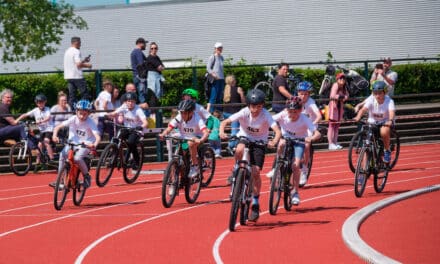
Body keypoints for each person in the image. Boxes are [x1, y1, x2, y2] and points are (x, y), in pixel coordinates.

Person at [219, 89, 281, 222]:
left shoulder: (265, 115)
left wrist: (274, 141)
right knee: (239, 148)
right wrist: (221, 131)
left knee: (256, 172)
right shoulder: (244, 112)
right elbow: (225, 122)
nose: (255, 109)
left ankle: (255, 202)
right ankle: (236, 168)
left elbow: (277, 131)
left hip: (259, 142)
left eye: (258, 106)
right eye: (252, 106)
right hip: (245, 137)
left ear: (262, 105)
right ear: (248, 105)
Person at [272, 97, 321, 203]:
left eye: (295, 112)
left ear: (300, 111)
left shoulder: (304, 119)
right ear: (287, 110)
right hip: (286, 140)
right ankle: (277, 166)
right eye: (290, 111)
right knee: (281, 143)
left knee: (295, 165)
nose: (292, 114)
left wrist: (310, 138)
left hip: (299, 142)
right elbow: (269, 120)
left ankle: (295, 192)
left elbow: (317, 133)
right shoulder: (283, 114)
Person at [51, 99, 101, 188]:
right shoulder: (73, 119)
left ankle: (86, 176)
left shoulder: (90, 122)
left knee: (77, 158)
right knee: (62, 155)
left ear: (88, 113)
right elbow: (57, 127)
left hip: (86, 143)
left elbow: (97, 137)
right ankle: (60, 179)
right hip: (72, 142)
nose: (82, 116)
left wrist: (94, 145)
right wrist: (54, 136)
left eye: (85, 114)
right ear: (76, 112)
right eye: (80, 113)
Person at [159, 100, 209, 179]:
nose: (182, 115)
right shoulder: (179, 117)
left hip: (196, 137)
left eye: (185, 113)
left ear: (191, 113)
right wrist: (163, 134)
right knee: (177, 147)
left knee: (190, 143)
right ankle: (176, 176)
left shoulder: (197, 119)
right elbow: (169, 127)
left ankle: (195, 166)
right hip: (183, 137)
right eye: (181, 112)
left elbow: (206, 132)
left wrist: (201, 140)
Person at [354, 81, 395, 163]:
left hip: (385, 123)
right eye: (375, 93)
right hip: (373, 123)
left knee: (383, 131)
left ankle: (387, 150)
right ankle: (364, 171)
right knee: (367, 143)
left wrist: (390, 120)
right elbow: (363, 109)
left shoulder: (389, 101)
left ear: (385, 92)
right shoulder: (371, 100)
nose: (377, 95)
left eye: (380, 93)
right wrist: (358, 117)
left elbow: (391, 112)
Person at [106, 92, 148, 170]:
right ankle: (114, 158)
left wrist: (141, 127)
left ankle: (137, 161)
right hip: (127, 129)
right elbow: (115, 112)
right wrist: (109, 115)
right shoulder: (124, 106)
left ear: (135, 102)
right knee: (117, 137)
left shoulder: (138, 110)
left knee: (131, 143)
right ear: (125, 101)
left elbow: (145, 122)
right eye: (128, 101)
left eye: (132, 101)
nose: (130, 103)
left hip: (136, 130)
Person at [16, 94, 56, 166]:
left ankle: (52, 158)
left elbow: (48, 117)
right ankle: (38, 161)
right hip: (41, 130)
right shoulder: (35, 110)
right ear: (36, 103)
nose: (40, 104)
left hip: (48, 129)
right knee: (39, 144)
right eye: (38, 102)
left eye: (42, 102)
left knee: (46, 142)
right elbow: (25, 115)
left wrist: (41, 121)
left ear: (45, 102)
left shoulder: (48, 109)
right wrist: (17, 120)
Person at [297, 81, 322, 184]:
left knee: (307, 145)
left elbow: (319, 116)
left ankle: (304, 169)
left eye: (306, 94)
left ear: (309, 94)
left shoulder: (311, 103)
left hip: (309, 126)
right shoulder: (295, 100)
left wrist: (312, 124)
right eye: (301, 93)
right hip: (297, 126)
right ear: (298, 93)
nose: (303, 96)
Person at [63, 36, 92, 109]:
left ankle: (72, 111)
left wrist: (84, 61)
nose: (80, 44)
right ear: (76, 42)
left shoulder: (67, 51)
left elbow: (74, 63)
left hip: (69, 77)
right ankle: (82, 109)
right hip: (77, 76)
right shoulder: (76, 51)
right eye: (80, 43)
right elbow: (78, 65)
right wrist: (88, 65)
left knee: (72, 96)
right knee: (85, 94)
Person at [222, 74, 246, 155]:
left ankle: (235, 145)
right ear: (233, 81)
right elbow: (243, 102)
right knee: (235, 130)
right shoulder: (238, 89)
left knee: (236, 129)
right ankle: (231, 146)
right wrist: (242, 94)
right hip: (234, 113)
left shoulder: (225, 90)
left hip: (225, 113)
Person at [327, 72, 349, 150]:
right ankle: (330, 143)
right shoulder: (335, 85)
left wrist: (342, 97)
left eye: (343, 78)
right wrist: (341, 96)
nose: (342, 79)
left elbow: (347, 96)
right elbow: (332, 96)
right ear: (337, 79)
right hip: (334, 107)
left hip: (340, 107)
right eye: (341, 78)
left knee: (337, 125)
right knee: (332, 125)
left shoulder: (344, 87)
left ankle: (335, 142)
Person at [130, 37, 149, 116]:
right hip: (140, 77)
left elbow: (146, 60)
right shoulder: (138, 52)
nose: (145, 45)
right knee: (143, 98)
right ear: (140, 43)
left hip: (136, 77)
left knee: (141, 96)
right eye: (144, 43)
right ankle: (144, 117)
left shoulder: (134, 52)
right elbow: (141, 64)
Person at [145, 42, 165, 110]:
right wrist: (159, 68)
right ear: (150, 49)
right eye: (152, 48)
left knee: (158, 99)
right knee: (153, 99)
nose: (154, 49)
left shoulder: (157, 57)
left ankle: (157, 117)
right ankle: (153, 117)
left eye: (155, 48)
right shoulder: (150, 58)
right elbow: (160, 67)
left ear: (157, 49)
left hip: (157, 80)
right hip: (152, 82)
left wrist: (160, 67)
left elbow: (163, 67)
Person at [206, 42, 225, 113]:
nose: (219, 49)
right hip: (215, 80)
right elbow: (208, 68)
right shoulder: (212, 57)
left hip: (221, 79)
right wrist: (213, 74)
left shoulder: (222, 57)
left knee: (219, 97)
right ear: (215, 49)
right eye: (218, 48)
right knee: (213, 96)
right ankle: (210, 112)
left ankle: (218, 113)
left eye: (221, 48)